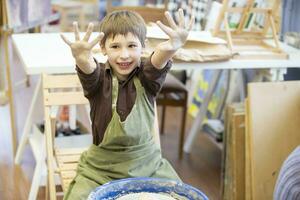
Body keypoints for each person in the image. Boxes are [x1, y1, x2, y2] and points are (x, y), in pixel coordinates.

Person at [61, 9, 194, 199]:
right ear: (103, 48)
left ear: (143, 47)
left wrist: (171, 47)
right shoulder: (98, 80)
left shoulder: (148, 76)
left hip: (148, 165)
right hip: (100, 169)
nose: (124, 55)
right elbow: (87, 67)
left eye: (132, 45)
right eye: (115, 46)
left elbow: (158, 60)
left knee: (182, 196)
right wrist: (81, 56)